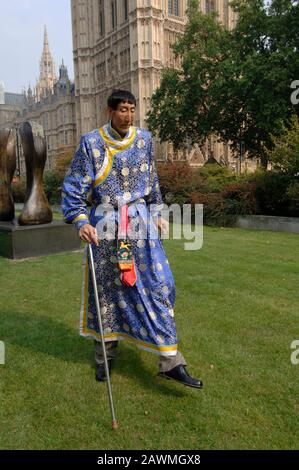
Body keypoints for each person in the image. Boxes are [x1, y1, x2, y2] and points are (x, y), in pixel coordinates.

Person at [61, 89, 203, 389]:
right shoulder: (91, 144)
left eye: (132, 109)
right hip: (107, 230)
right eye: (122, 109)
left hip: (141, 228)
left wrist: (157, 211)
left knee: (159, 286)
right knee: (108, 296)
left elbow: (151, 180)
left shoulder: (144, 140)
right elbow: (74, 188)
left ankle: (170, 361)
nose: (128, 115)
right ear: (109, 111)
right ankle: (105, 356)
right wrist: (81, 221)